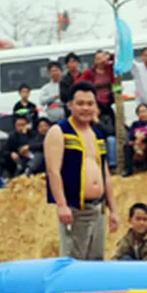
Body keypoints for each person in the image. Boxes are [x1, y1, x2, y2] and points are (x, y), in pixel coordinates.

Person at [45, 81, 120, 261]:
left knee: (96, 260)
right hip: (75, 208)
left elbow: (105, 174)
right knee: (74, 261)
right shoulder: (59, 131)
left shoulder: (97, 133)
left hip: (98, 208)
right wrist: (62, 205)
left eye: (89, 103)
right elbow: (53, 171)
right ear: (70, 105)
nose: (85, 108)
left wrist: (113, 210)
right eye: (80, 103)